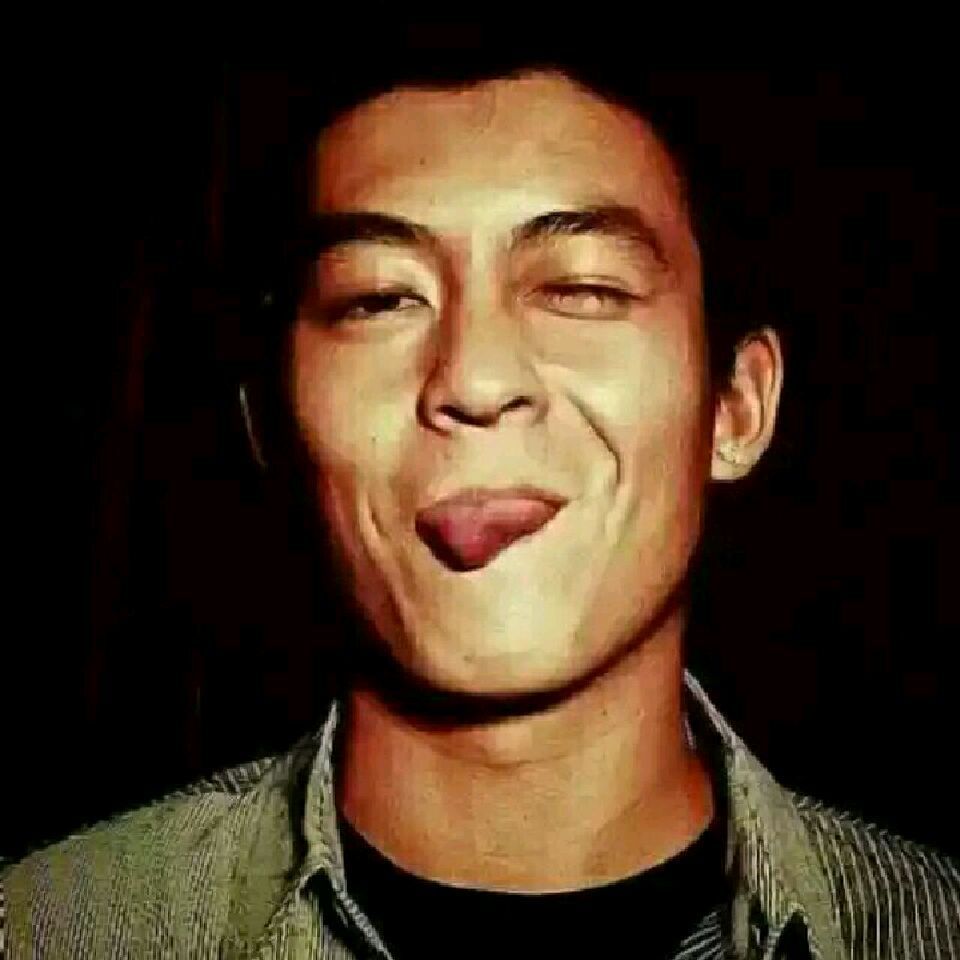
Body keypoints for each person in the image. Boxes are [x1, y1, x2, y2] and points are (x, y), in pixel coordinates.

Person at [2, 47, 958, 960]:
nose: (475, 378)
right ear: (272, 423)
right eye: (379, 299)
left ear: (737, 406)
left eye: (581, 288)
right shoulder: (52, 929)